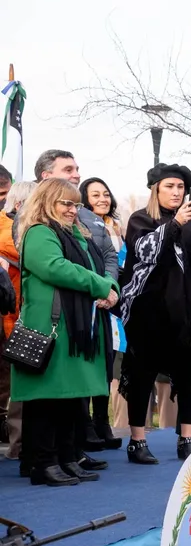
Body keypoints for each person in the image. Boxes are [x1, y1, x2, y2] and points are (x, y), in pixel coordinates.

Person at [12, 179, 119, 486]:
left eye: (76, 204)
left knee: (68, 398)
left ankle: (66, 457)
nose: (74, 210)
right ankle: (43, 462)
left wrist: (110, 287)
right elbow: (54, 267)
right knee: (47, 399)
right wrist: (102, 285)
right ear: (47, 202)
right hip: (50, 327)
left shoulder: (72, 233)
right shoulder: (39, 232)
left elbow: (97, 266)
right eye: (67, 204)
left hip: (71, 328)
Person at [119, 164, 191, 464]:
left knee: (189, 377)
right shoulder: (140, 219)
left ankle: (187, 439)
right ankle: (137, 441)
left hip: (187, 311)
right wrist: (175, 224)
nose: (176, 192)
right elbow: (145, 251)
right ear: (156, 189)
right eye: (170, 186)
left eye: (181, 187)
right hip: (148, 311)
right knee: (142, 375)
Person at [79, 176, 126, 449]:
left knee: (106, 362)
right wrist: (100, 289)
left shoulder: (115, 227)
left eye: (106, 194)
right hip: (90, 301)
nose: (102, 199)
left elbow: (113, 260)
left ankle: (101, 421)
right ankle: (86, 424)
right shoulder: (81, 222)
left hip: (112, 302)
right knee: (89, 361)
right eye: (95, 194)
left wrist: (110, 288)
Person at [0, 178, 37, 461]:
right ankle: (19, 446)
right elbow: (25, 254)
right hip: (14, 319)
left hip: (23, 316)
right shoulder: (8, 229)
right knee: (19, 384)